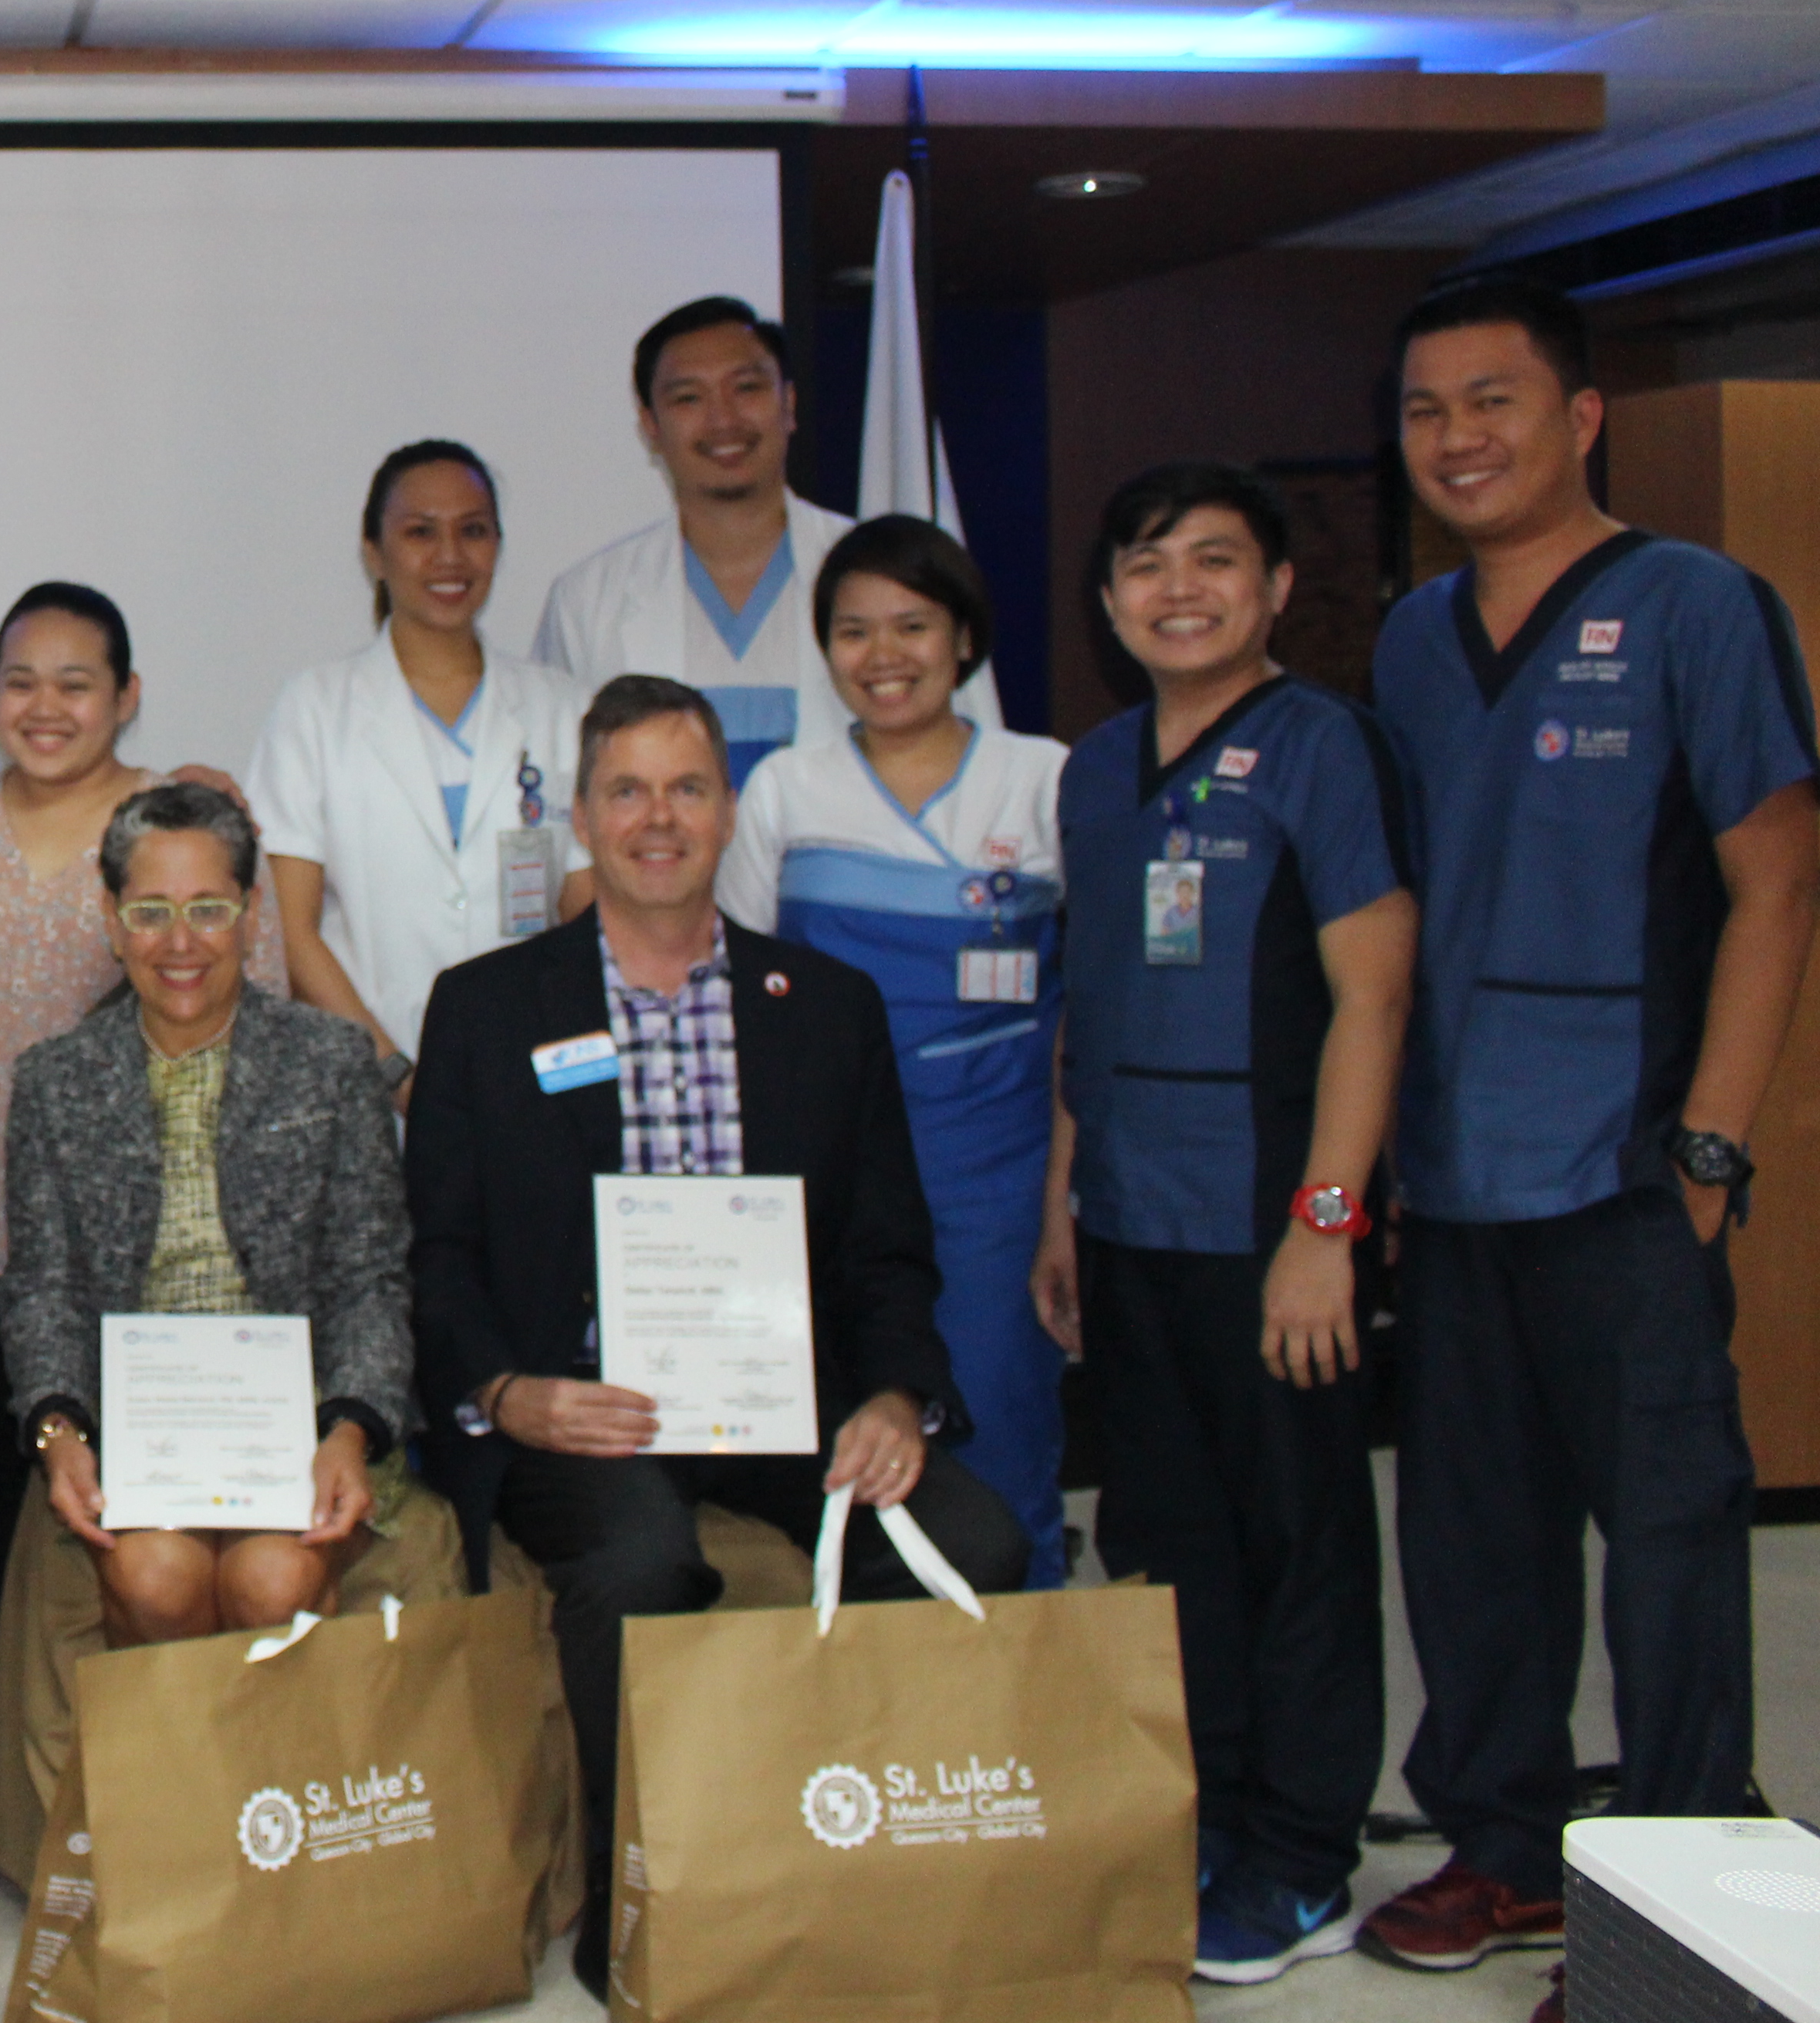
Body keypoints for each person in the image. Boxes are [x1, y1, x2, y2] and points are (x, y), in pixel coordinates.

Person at [404, 673, 1032, 2004]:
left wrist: (891, 1397)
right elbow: (437, 1253)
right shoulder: (483, 1005)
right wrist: (505, 1391)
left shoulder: (827, 1005)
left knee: (976, 1541)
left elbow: (883, 1250)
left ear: (725, 808)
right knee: (640, 1555)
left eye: (684, 787)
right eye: (623, 789)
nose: (654, 817)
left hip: (778, 1399)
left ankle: (846, 1853)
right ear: (578, 814)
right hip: (580, 1404)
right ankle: (639, 1901)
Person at [1360, 271, 1818, 2021]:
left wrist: (1706, 1149)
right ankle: (1500, 1841)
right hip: (1452, 1174)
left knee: (1671, 1541)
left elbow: (1774, 879)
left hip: (1629, 1170)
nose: (1455, 437)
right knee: (1471, 1538)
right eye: (1423, 409)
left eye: (1490, 398)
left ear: (1575, 414)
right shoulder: (1408, 636)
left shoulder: (1697, 603)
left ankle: (1685, 1895)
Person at [1028, 464, 1413, 1984]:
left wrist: (1329, 1224)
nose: (1176, 588)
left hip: (1272, 1228)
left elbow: (1374, 1000)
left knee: (1297, 1541)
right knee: (1171, 1542)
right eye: (1145, 563)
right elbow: (1088, 1003)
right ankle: (1216, 1815)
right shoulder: (1094, 768)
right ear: (1111, 599)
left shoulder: (1325, 750)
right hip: (1128, 1226)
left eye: (1212, 561)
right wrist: (1065, 1202)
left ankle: (1305, 1857)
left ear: (1269, 591)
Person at [0, 580, 290, 1601]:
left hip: (154, 1222)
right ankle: (37, 1699)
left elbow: (258, 1011)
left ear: (126, 695)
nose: (45, 707)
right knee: (19, 1464)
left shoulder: (178, 822)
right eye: (20, 683)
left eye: (75, 684)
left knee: (152, 1475)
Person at [716, 513, 1072, 1585]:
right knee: (854, 1457)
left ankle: (1020, 1719)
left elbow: (1086, 1008)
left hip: (995, 1178)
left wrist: (1063, 1198)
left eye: (912, 626)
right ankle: (894, 1722)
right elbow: (737, 993)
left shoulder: (1043, 778)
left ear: (964, 637)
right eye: (855, 631)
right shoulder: (786, 789)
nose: (884, 657)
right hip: (835, 1175)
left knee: (1005, 1441)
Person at [1, 782, 405, 1643]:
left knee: (273, 1581)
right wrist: (60, 1430)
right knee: (156, 1581)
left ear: (253, 913)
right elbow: (42, 1291)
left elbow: (369, 1279)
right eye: (150, 912)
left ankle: (274, 1783)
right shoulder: (55, 1081)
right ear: (111, 920)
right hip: (138, 1427)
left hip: (296, 1419)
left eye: (209, 910)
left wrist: (350, 1427)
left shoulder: (331, 1066)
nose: (179, 944)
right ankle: (169, 1780)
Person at [252, 439, 589, 1082]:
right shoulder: (315, 709)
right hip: (368, 1084)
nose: (450, 556)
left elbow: (590, 916)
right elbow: (289, 931)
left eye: (474, 531)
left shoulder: (562, 709)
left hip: (530, 1077)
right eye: (419, 533)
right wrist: (396, 1074)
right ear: (373, 552)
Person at [535, 296, 970, 786]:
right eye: (688, 398)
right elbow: (557, 791)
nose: (724, 420)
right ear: (651, 426)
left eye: (746, 388)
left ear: (789, 405)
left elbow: (969, 761)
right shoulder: (586, 602)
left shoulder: (889, 573)